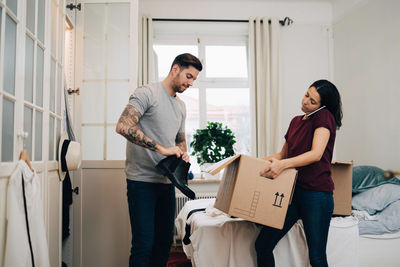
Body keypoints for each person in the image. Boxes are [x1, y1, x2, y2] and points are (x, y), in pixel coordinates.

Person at [116, 53, 202, 267]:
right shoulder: (147, 93)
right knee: (143, 244)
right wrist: (161, 148)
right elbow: (124, 126)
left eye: (194, 79)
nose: (190, 83)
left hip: (166, 184)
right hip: (141, 182)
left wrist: (183, 152)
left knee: (164, 244)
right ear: (175, 69)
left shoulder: (181, 106)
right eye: (188, 76)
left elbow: (180, 140)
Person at [255, 79, 343, 267]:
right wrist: (250, 162)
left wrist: (283, 165)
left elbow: (316, 154)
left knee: (317, 257)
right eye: (306, 95)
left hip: (317, 195)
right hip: (293, 193)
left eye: (312, 101)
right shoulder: (295, 121)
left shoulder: (324, 117)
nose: (305, 102)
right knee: (263, 244)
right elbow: (281, 155)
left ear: (322, 106)